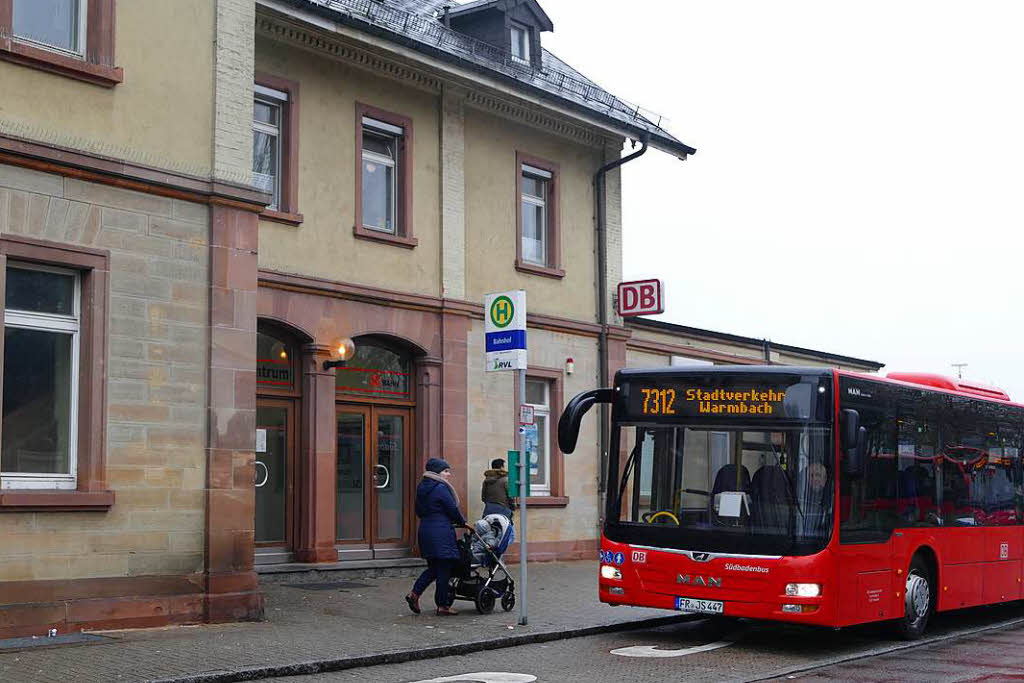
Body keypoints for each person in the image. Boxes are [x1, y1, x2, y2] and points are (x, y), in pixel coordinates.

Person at [406, 458, 467, 616]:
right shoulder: (440, 488)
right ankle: (442, 605)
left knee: (434, 568)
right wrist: (463, 522)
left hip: (425, 530)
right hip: (441, 532)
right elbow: (452, 509)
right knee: (444, 570)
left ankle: (414, 594)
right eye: (445, 471)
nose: (448, 474)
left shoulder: (422, 487)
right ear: (437, 472)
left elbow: (418, 510)